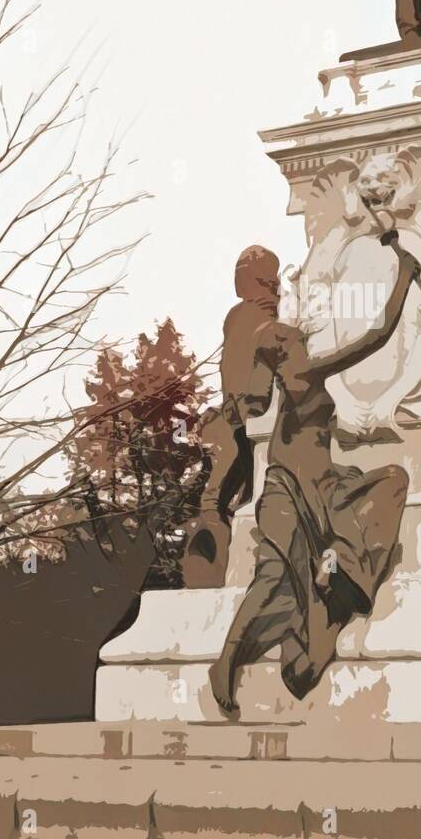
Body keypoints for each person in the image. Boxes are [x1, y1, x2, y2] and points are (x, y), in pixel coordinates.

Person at [209, 231, 420, 716]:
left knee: (391, 482)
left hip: (324, 487)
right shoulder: (307, 373)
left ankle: (339, 577)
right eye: (289, 337)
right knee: (271, 574)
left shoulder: (299, 370)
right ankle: (227, 661)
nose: (295, 333)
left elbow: (255, 398)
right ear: (283, 351)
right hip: (286, 487)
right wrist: (404, 275)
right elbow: (378, 333)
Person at [180, 247, 279, 588]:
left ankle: (241, 567)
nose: (237, 277)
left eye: (244, 270)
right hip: (235, 417)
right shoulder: (237, 316)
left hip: (256, 420)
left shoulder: (273, 314)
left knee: (243, 494)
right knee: (218, 499)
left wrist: (254, 402)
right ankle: (216, 568)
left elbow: (266, 361)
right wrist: (222, 408)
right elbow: (230, 366)